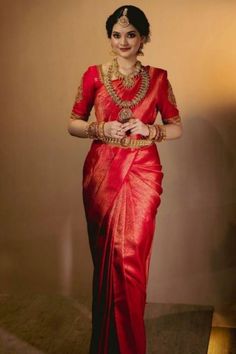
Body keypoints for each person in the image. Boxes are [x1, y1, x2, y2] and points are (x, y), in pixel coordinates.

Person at [68, 5, 183, 354]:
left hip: (143, 172)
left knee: (130, 260)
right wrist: (100, 128)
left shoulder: (159, 78)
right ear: (110, 38)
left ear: (143, 37)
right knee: (108, 257)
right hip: (102, 174)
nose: (123, 41)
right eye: (117, 35)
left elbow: (176, 127)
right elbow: (72, 123)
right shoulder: (93, 75)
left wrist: (150, 128)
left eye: (131, 34)